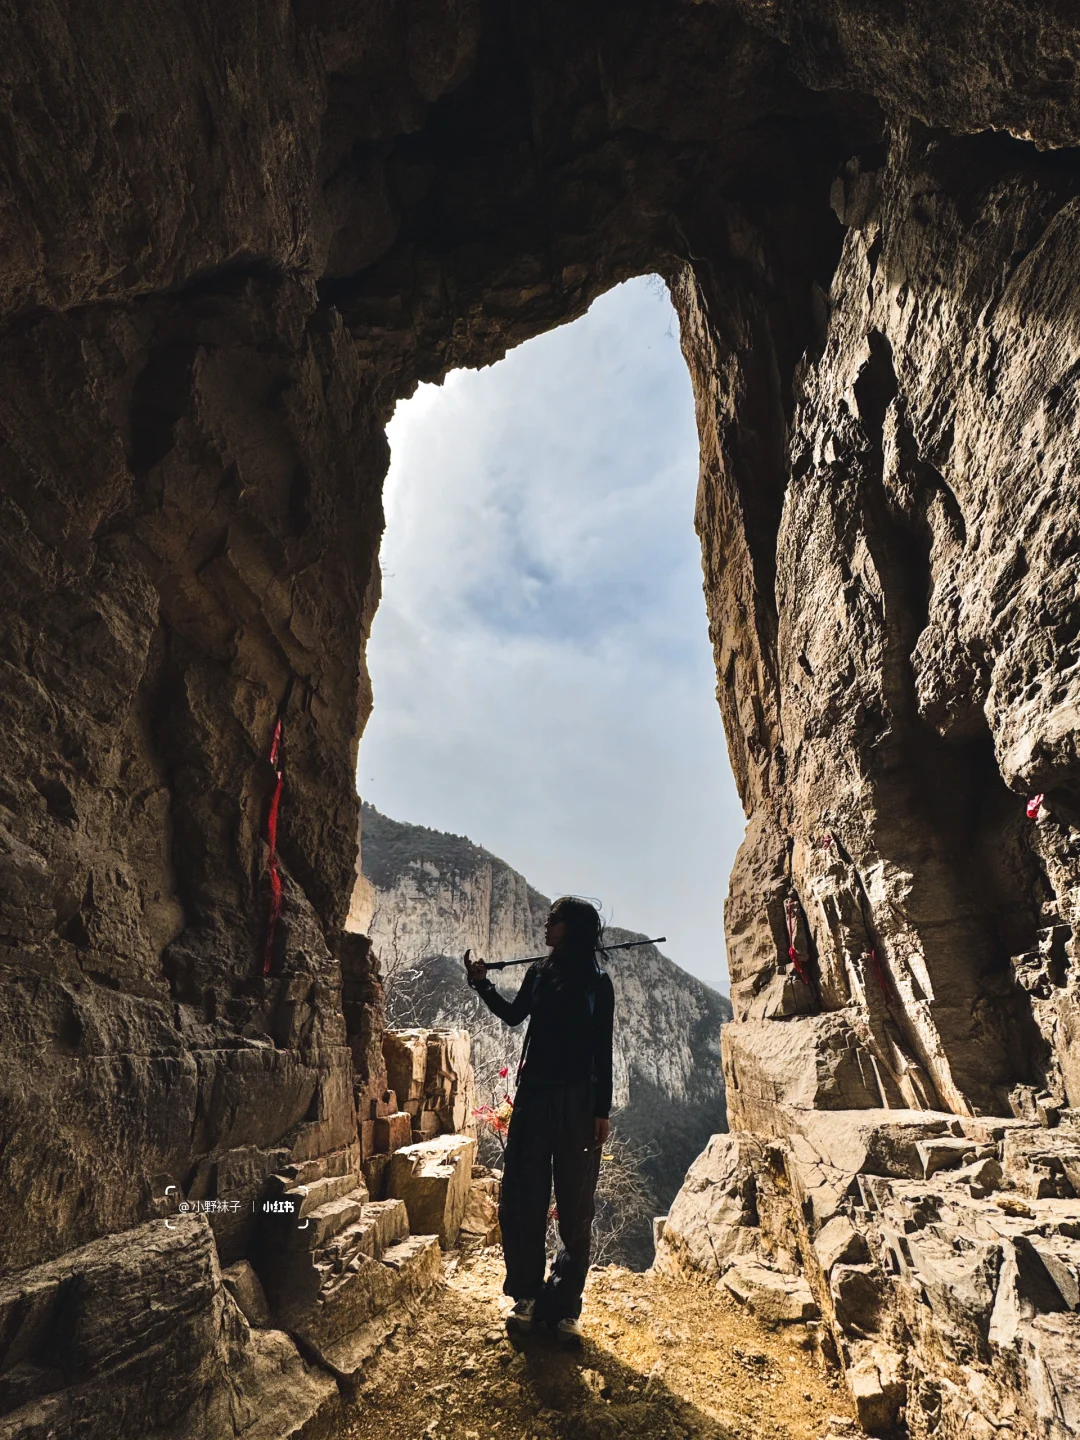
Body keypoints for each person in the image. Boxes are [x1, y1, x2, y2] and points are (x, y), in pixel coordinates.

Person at [464, 896, 615, 1347]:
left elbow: (603, 1050)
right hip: (533, 1099)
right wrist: (482, 985)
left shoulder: (597, 984)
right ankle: (526, 1296)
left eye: (554, 919)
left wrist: (601, 1111)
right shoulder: (539, 974)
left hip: (578, 1104)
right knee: (523, 1197)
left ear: (573, 928)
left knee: (575, 1206)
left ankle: (566, 1305)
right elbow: (513, 1017)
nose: (545, 924)